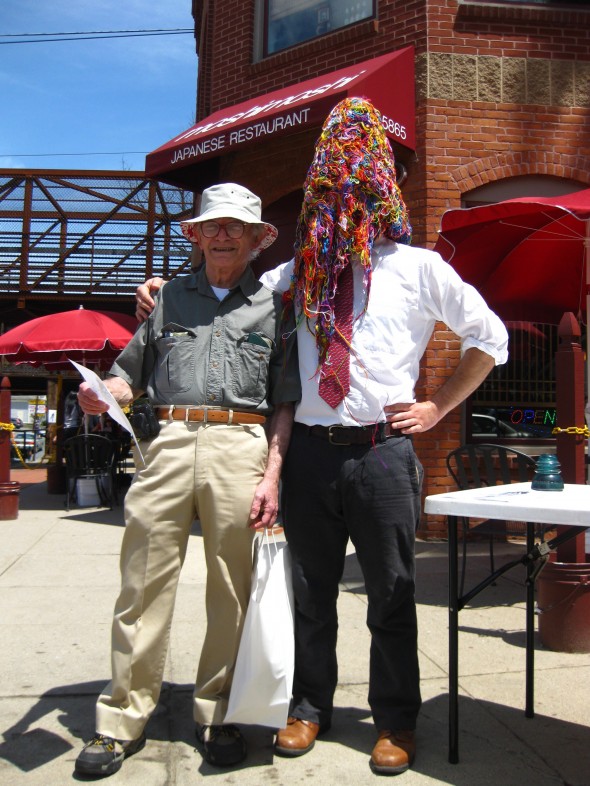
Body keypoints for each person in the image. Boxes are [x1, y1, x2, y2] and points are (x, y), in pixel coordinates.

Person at [135, 98, 508, 777]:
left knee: (393, 594)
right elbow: (228, 288)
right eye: (332, 186)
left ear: (383, 188)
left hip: (381, 453)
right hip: (307, 452)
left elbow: (492, 339)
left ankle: (396, 720)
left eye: (359, 184)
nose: (346, 198)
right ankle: (309, 707)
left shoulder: (420, 269)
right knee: (310, 593)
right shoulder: (296, 274)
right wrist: (170, 288)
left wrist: (436, 408)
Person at [74, 183, 300, 777]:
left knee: (232, 587)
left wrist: (272, 475)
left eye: (235, 226)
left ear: (256, 240)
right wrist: (104, 395)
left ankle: (218, 712)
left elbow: (284, 403)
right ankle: (120, 716)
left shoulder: (277, 308)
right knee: (141, 582)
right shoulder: (167, 299)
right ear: (196, 236)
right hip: (167, 442)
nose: (222, 234)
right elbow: (130, 375)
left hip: (241, 445)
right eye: (212, 225)